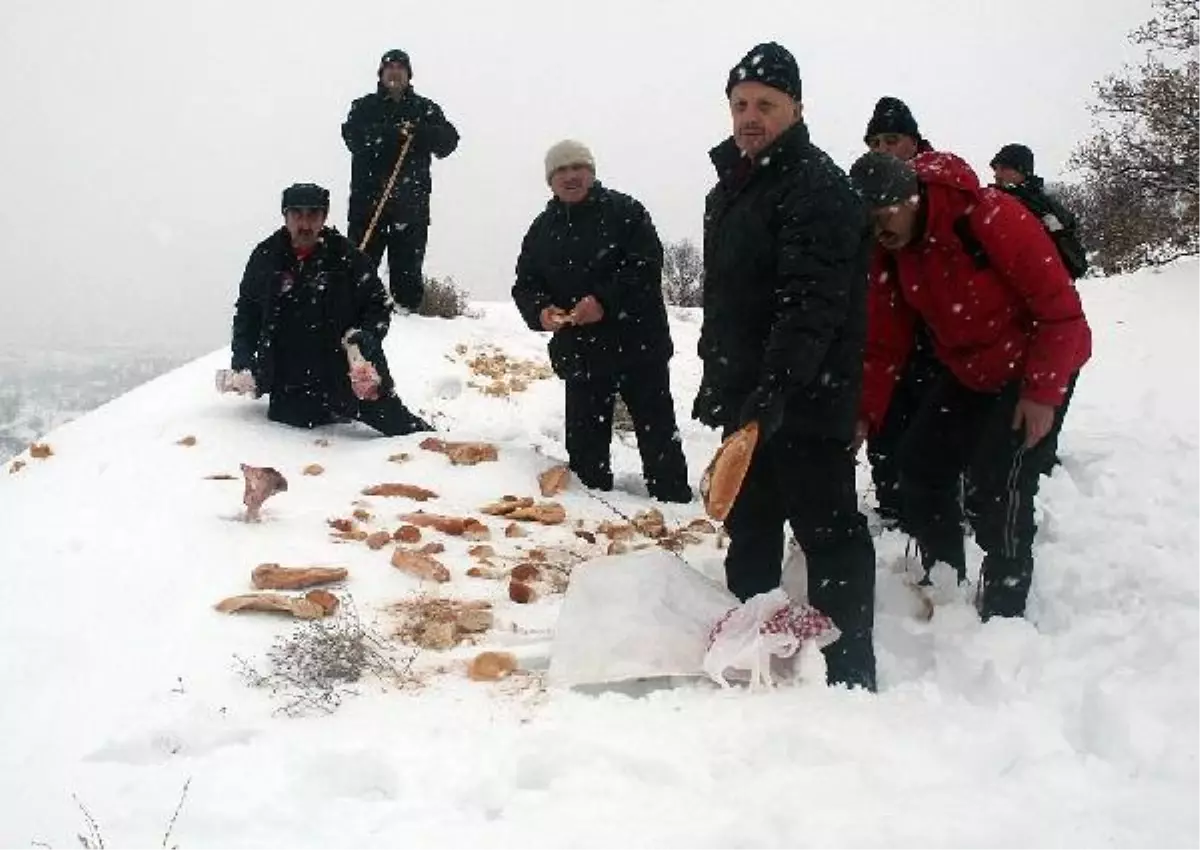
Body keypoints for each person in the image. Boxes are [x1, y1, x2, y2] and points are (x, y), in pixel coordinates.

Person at [692, 42, 877, 691]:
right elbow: (730, 299)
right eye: (740, 104)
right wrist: (721, 383)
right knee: (750, 532)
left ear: (796, 107)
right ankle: (757, 649)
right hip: (750, 402)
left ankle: (850, 673)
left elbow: (812, 304)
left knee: (829, 534)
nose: (750, 116)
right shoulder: (733, 188)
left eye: (765, 105)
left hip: (808, 399)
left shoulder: (816, 186)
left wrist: (776, 388)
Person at [849, 150, 1092, 620]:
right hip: (969, 369)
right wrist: (865, 411)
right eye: (867, 222)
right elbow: (884, 344)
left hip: (1037, 360)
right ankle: (944, 579)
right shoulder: (890, 251)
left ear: (911, 198)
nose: (877, 230)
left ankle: (1005, 598)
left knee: (996, 484)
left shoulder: (991, 217)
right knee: (919, 465)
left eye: (883, 216)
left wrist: (1041, 394)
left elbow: (1061, 311)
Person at [511, 141, 691, 504]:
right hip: (581, 355)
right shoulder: (542, 229)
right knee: (586, 458)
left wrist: (605, 302)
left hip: (638, 347)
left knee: (658, 438)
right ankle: (594, 515)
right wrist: (542, 311)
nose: (570, 176)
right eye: (561, 170)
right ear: (550, 181)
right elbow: (525, 284)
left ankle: (676, 509)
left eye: (578, 167)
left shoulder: (626, 212)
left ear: (591, 172)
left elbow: (645, 267)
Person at [227, 183, 432, 436]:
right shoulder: (266, 256)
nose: (304, 224)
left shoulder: (346, 257)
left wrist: (366, 336)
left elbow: (378, 304)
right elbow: (247, 312)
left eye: (313, 215)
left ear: (324, 217)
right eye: (296, 215)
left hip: (346, 374)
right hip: (289, 381)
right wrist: (243, 361)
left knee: (408, 434)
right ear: (285, 217)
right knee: (294, 437)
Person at [861, 96, 941, 529]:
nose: (884, 149)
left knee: (935, 426)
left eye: (892, 139)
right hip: (886, 331)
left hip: (937, 332)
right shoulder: (865, 195)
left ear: (913, 140)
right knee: (885, 422)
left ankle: (937, 508)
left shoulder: (938, 189)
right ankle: (892, 504)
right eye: (875, 142)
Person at [341, 49, 460, 310]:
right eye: (389, 68)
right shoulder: (364, 107)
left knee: (407, 279)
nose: (395, 72)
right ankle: (355, 324)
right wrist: (392, 134)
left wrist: (420, 133)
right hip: (368, 207)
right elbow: (353, 138)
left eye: (400, 68)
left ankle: (410, 323)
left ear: (408, 75)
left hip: (410, 210)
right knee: (359, 272)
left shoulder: (424, 109)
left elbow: (449, 141)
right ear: (381, 75)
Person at [990, 143, 1089, 280]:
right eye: (996, 169)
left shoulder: (1046, 206)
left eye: (1003, 168)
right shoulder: (989, 202)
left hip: (1039, 287)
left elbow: (1074, 262)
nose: (997, 174)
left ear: (1021, 171)